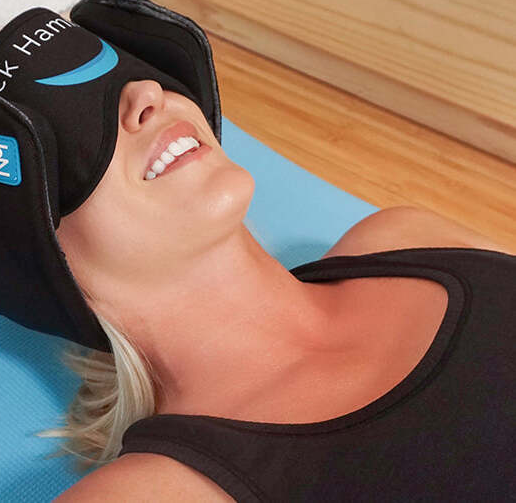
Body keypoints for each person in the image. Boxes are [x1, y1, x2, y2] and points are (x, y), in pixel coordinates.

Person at [27, 76, 512, 502]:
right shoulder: (152, 492)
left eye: (127, 66)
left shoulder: (406, 237)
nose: (145, 92)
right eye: (71, 121)